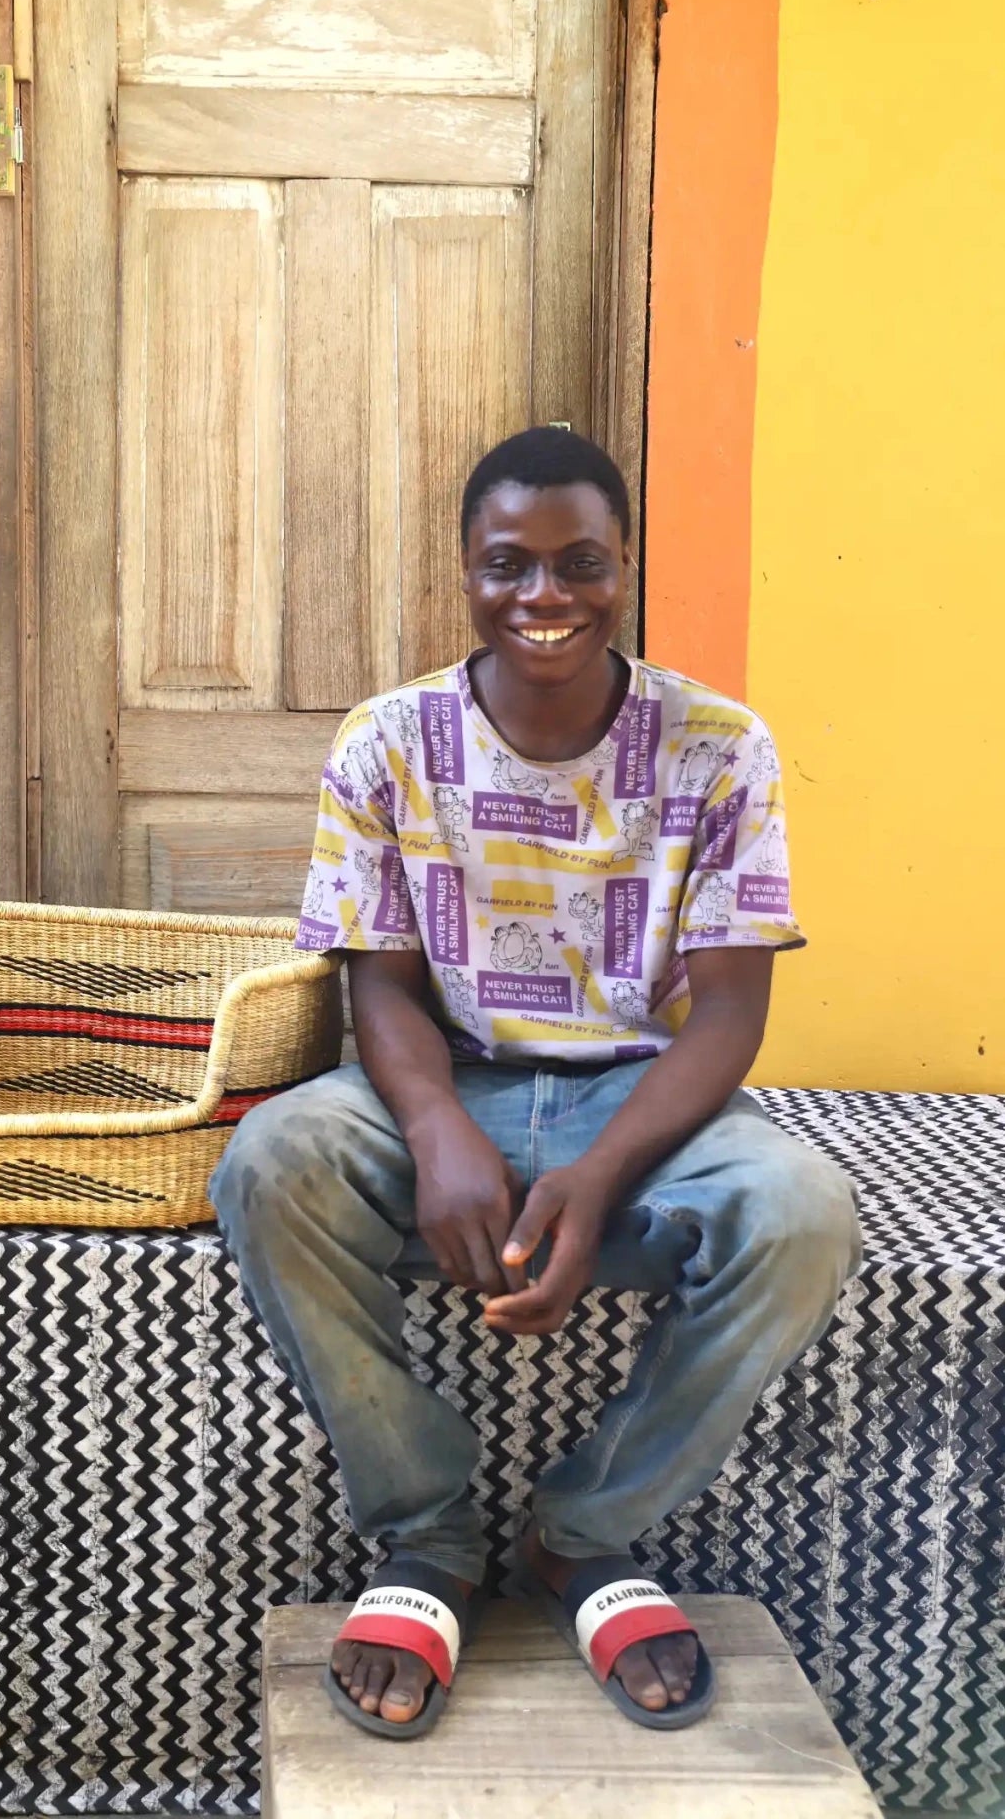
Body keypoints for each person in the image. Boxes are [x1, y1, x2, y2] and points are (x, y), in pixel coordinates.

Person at [211, 428, 860, 1738]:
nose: (544, 595)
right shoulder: (389, 741)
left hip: (640, 1098)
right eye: (508, 563)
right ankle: (428, 1534)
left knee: (803, 1213)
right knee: (270, 1163)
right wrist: (438, 1127)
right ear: (466, 570)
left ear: (625, 567)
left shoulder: (719, 746)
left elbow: (731, 1011)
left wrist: (598, 1172)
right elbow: (378, 984)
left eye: (580, 563)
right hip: (442, 1077)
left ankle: (582, 1535)